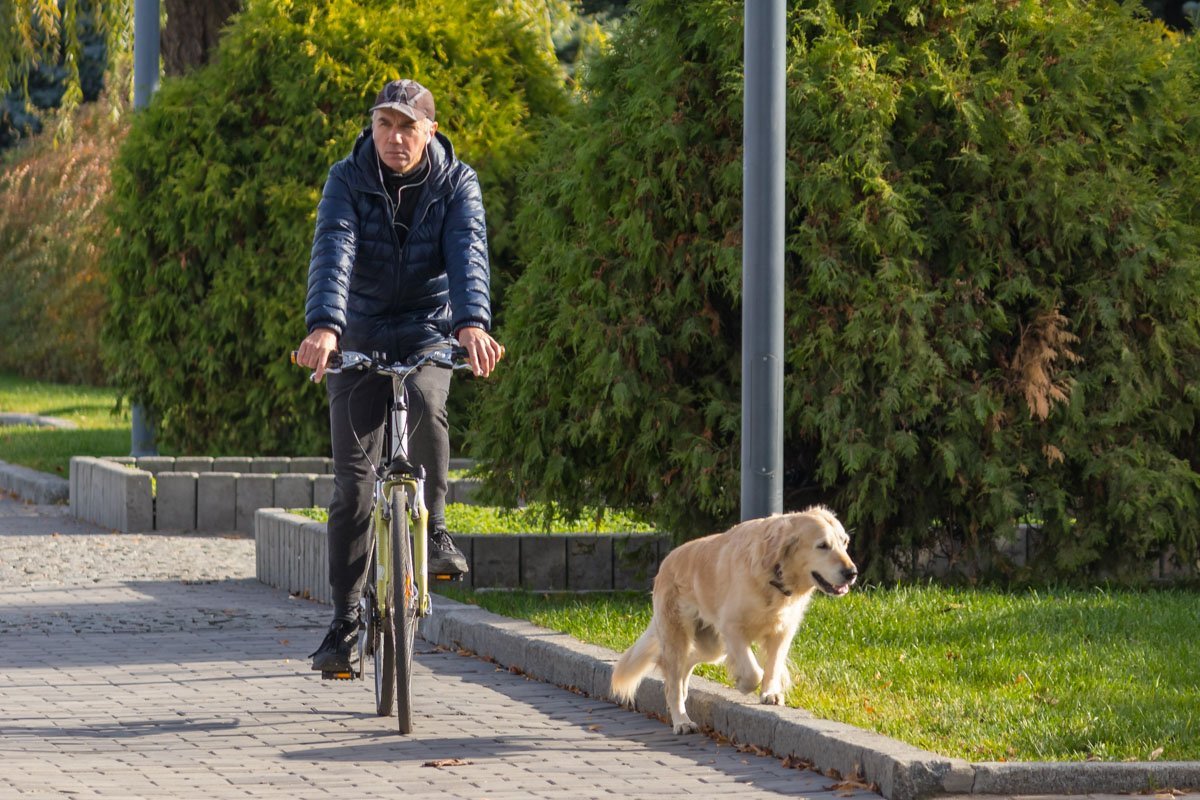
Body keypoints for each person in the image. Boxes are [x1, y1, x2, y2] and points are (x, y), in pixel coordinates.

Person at [295, 79, 504, 672]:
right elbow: (333, 248)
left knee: (427, 400)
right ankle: (345, 623)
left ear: (430, 131)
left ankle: (435, 531)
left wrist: (470, 325)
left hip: (428, 329)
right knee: (354, 490)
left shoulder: (456, 183)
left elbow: (469, 253)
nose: (393, 137)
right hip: (356, 331)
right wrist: (326, 328)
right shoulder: (347, 177)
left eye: (407, 126)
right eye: (384, 124)